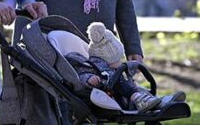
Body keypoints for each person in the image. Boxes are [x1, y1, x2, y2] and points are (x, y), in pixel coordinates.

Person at [53, 22, 184, 112]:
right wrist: (89, 79)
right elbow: (79, 76)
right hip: (106, 94)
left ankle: (158, 102)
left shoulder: (109, 67)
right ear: (105, 58)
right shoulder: (91, 66)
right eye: (117, 59)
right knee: (118, 81)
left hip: (122, 93)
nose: (119, 61)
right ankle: (143, 100)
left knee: (134, 86)